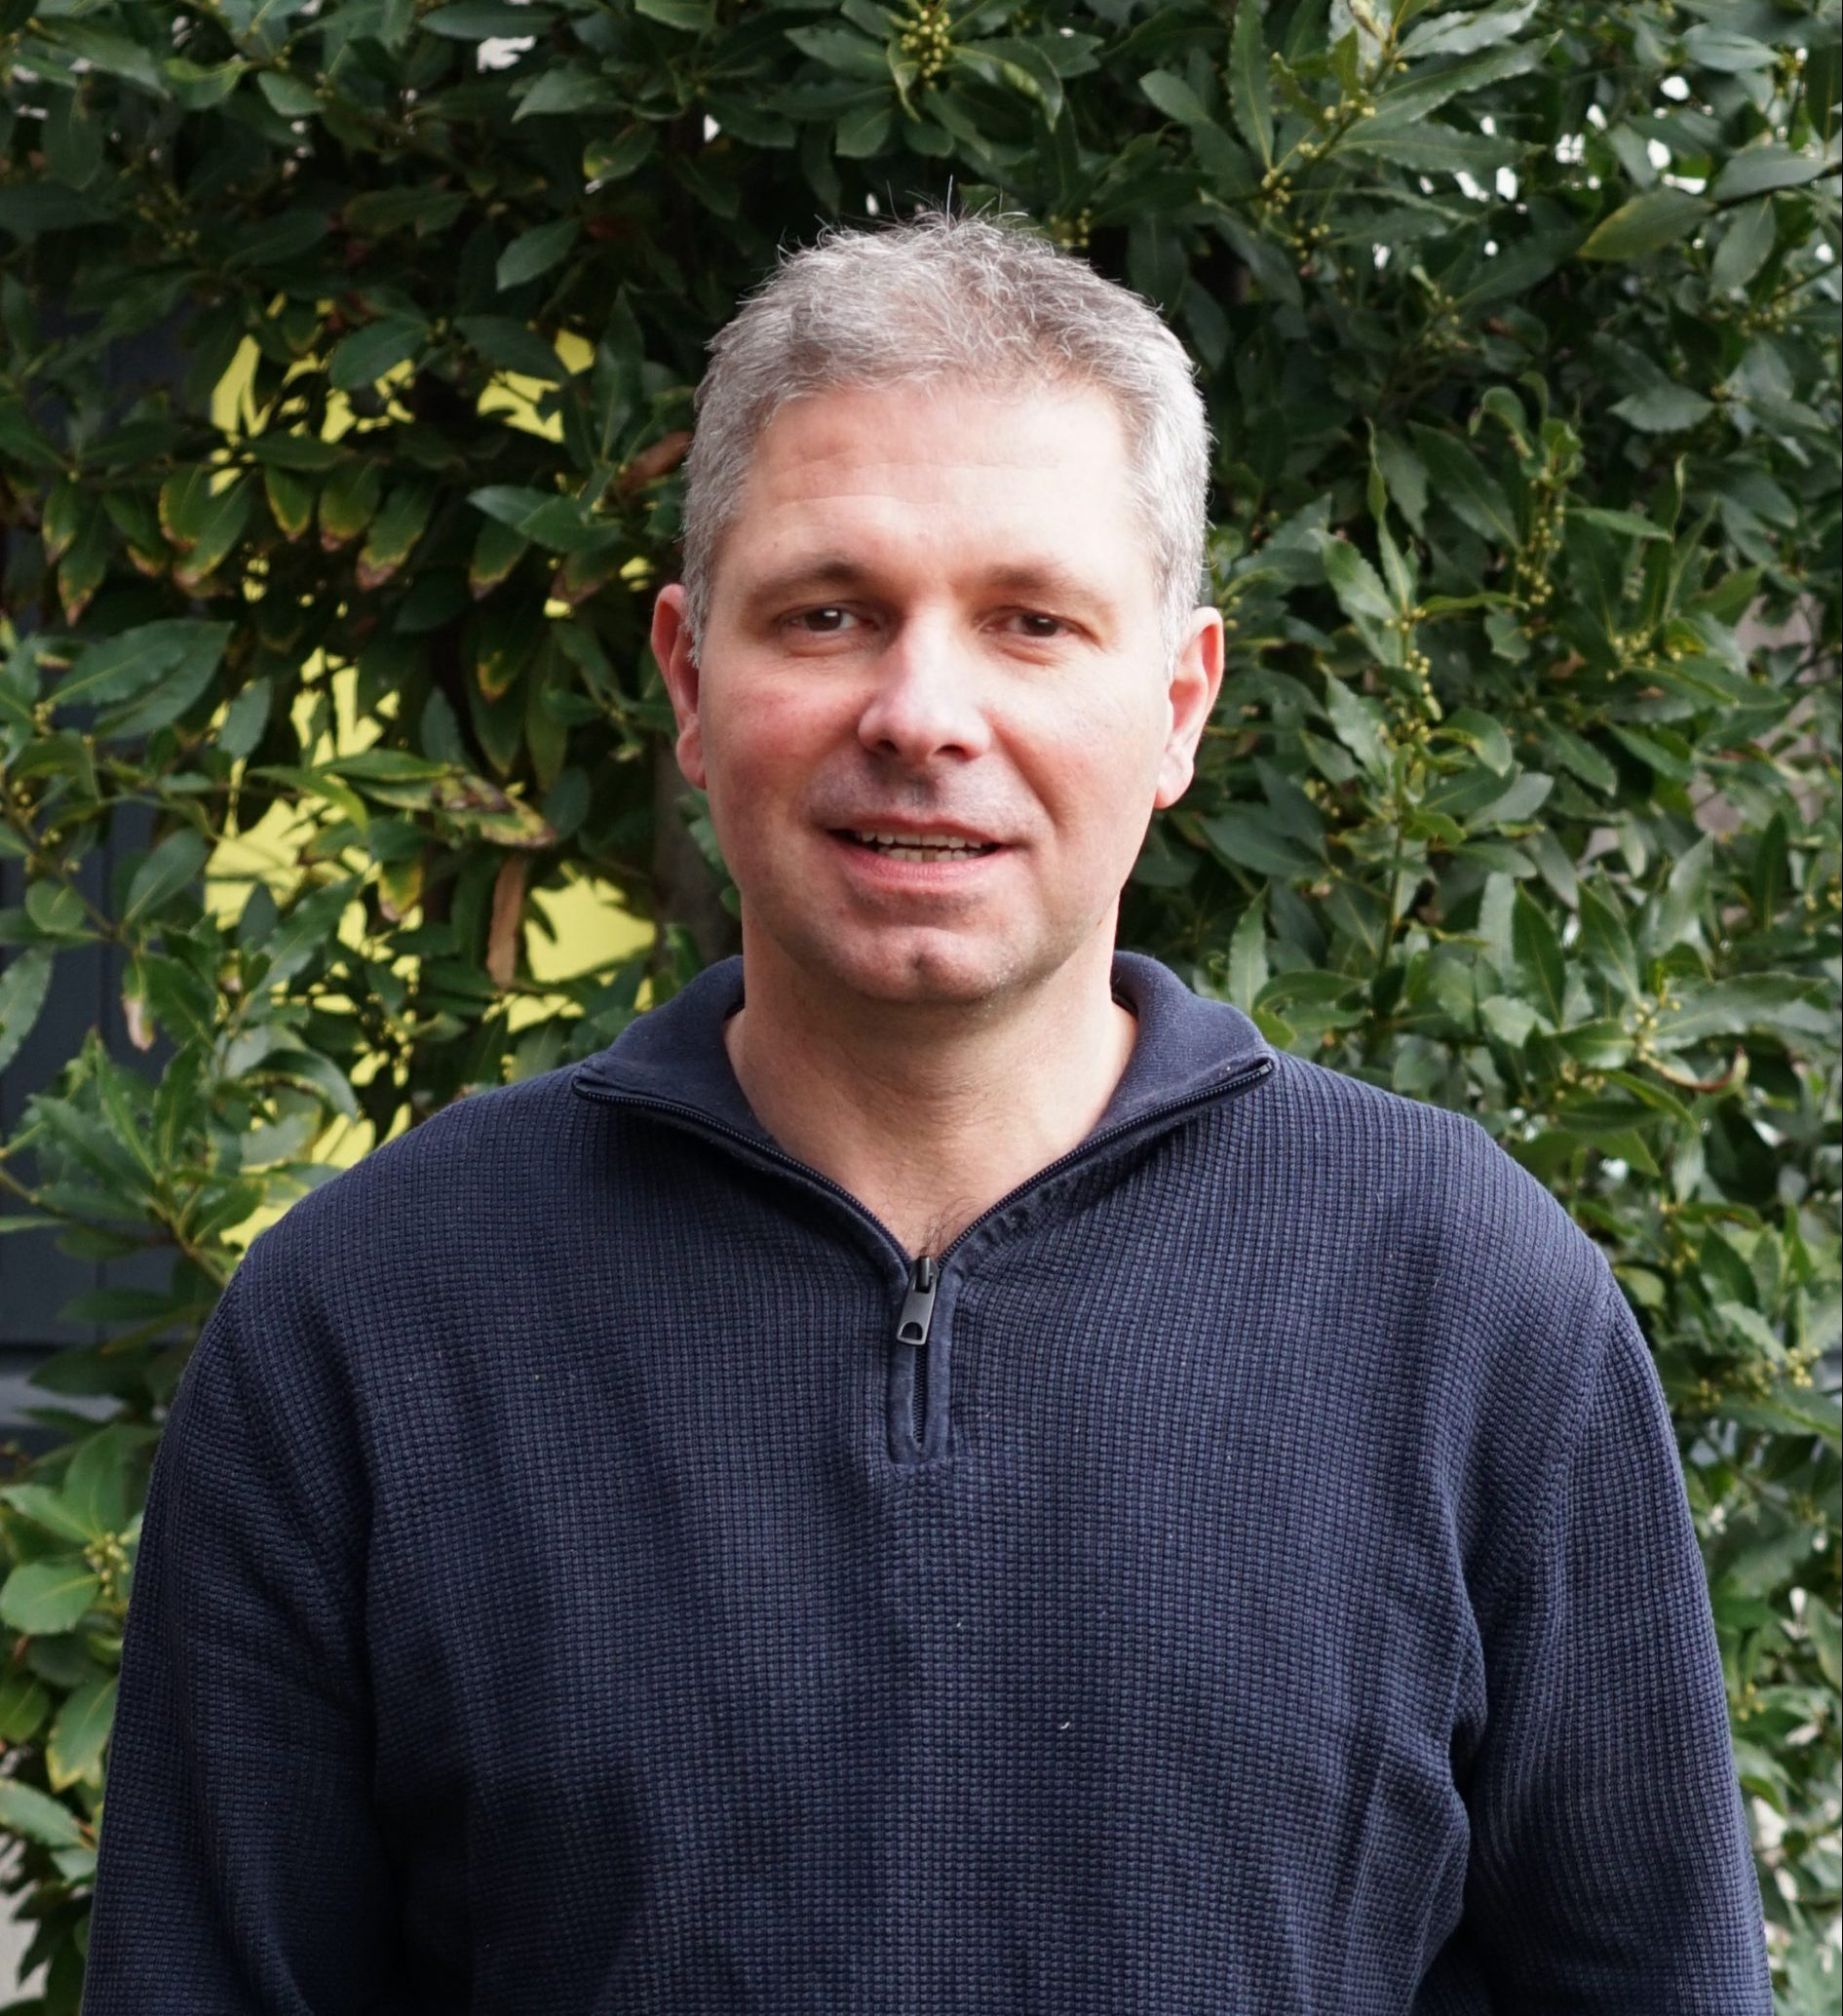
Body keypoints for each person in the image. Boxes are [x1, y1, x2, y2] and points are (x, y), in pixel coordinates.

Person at [82, 209, 1771, 2012]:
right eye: (831, 614)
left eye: (1032, 623)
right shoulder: (369, 1323)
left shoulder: (1470, 1301)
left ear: (1180, 702)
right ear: (689, 679)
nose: (922, 714)